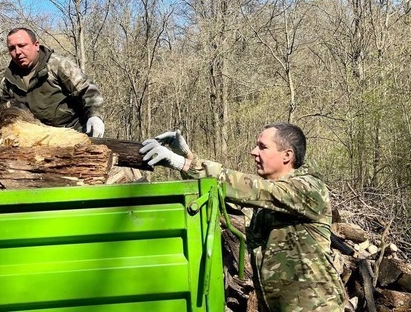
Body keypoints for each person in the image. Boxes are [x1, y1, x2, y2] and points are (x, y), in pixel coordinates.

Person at [140, 124, 345, 311]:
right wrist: (186, 155)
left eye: (262, 147)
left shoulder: (309, 189)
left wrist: (184, 164)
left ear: (287, 155)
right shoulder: (268, 201)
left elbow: (252, 188)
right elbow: (225, 194)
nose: (253, 152)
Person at [0, 27, 105, 137]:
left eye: (22, 46)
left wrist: (95, 116)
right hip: (34, 140)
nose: (17, 52)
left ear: (36, 45)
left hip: (72, 133)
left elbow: (88, 90)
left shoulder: (58, 65)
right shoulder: (8, 80)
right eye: (12, 48)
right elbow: (6, 115)